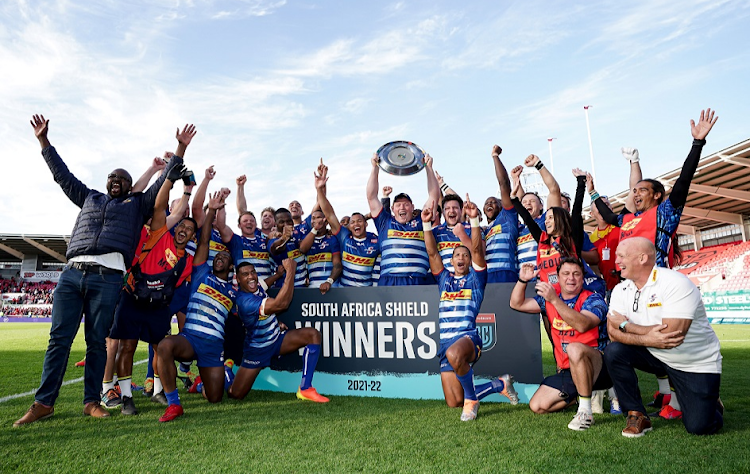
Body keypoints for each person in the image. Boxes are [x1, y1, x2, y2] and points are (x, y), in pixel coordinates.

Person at [13, 115, 194, 428]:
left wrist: (180, 148)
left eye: (123, 179)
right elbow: (62, 176)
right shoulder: (89, 198)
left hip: (108, 277)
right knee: (59, 339)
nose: (117, 180)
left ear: (129, 186)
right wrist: (43, 141)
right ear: (105, 181)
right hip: (72, 273)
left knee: (98, 341)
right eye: (112, 176)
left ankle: (91, 402)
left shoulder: (136, 206)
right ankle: (44, 403)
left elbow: (162, 184)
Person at [604, 238, 723, 437]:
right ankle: (636, 414)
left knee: (699, 427)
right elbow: (612, 332)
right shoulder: (621, 289)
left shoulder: (675, 283)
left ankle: (712, 405)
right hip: (654, 353)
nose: (617, 261)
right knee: (614, 352)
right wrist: (647, 338)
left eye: (622, 256)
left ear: (642, 258)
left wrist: (627, 326)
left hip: (692, 362)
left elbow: (671, 336)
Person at [104, 163, 195, 416]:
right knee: (126, 347)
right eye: (182, 227)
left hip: (158, 306)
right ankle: (125, 397)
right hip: (133, 296)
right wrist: (168, 177)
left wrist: (187, 189)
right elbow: (158, 204)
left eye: (190, 230)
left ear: (191, 237)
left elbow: (175, 210)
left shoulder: (185, 259)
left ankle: (161, 392)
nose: (184, 231)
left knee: (160, 348)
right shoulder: (157, 233)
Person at [423, 194, 518, 421]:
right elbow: (432, 252)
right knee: (454, 401)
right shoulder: (444, 279)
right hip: (445, 343)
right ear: (452, 260)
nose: (461, 257)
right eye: (457, 255)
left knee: (454, 353)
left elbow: (477, 250)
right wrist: (427, 225)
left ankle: (472, 401)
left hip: (468, 339)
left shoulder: (476, 280)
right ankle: (498, 384)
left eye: (465, 255)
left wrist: (474, 221)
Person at [590, 109, 719, 268]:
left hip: (656, 282)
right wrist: (592, 192)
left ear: (657, 194)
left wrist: (697, 143)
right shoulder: (626, 219)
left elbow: (684, 180)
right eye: (634, 191)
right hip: (630, 286)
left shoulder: (665, 212)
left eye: (642, 190)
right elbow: (608, 216)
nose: (636, 194)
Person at [155, 192, 238, 422]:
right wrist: (211, 211)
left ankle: (203, 382)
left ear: (231, 265)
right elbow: (203, 240)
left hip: (213, 347)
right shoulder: (202, 273)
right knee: (164, 346)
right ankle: (174, 404)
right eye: (217, 256)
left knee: (214, 398)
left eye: (224, 256)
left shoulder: (234, 292)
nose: (219, 258)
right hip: (191, 338)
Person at [510, 258, 610, 431]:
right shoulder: (549, 299)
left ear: (582, 278)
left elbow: (583, 324)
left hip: (598, 367)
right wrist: (522, 280)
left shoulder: (594, 299)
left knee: (575, 347)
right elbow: (516, 304)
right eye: (566, 274)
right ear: (557, 277)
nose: (571, 278)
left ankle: (585, 411)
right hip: (568, 369)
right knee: (538, 406)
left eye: (576, 274)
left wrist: (555, 300)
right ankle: (579, 397)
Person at [228, 260, 330, 402]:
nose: (251, 277)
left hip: (277, 340)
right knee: (236, 394)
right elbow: (281, 304)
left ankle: (305, 388)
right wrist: (290, 271)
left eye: (253, 272)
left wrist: (278, 274)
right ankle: (224, 374)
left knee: (312, 334)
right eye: (245, 274)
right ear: (238, 280)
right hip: (258, 350)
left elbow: (265, 284)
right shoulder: (245, 301)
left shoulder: (256, 287)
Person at [366, 152, 441, 285]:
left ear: (412, 207)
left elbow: (433, 196)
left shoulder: (421, 222)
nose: (402, 208)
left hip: (416, 282)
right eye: (398, 205)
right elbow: (371, 196)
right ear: (393, 209)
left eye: (406, 204)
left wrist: (429, 168)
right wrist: (374, 168)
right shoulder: (385, 222)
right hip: (389, 282)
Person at [314, 163, 379, 287]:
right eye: (352, 222)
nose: (356, 224)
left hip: (368, 294)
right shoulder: (345, 237)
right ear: (349, 227)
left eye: (359, 221)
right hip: (345, 294)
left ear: (366, 224)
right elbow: (329, 215)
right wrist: (319, 189)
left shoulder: (375, 240)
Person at [484, 145, 519, 282]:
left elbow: (504, 184)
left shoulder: (507, 217)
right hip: (486, 275)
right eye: (487, 203)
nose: (489, 205)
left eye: (493, 202)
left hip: (506, 273)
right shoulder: (483, 230)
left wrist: (495, 156)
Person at [299, 209, 342, 292]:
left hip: (331, 287)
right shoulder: (308, 239)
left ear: (325, 222)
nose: (315, 220)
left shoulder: (332, 239)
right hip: (312, 289)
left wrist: (329, 282)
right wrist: (315, 229)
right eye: (313, 218)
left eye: (318, 217)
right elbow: (302, 249)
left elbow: (337, 265)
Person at [269, 208, 309, 287]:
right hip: (284, 289)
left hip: (303, 289)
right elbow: (277, 248)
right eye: (281, 222)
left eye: (289, 221)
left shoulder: (299, 236)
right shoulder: (272, 240)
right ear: (275, 224)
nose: (286, 224)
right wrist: (284, 238)